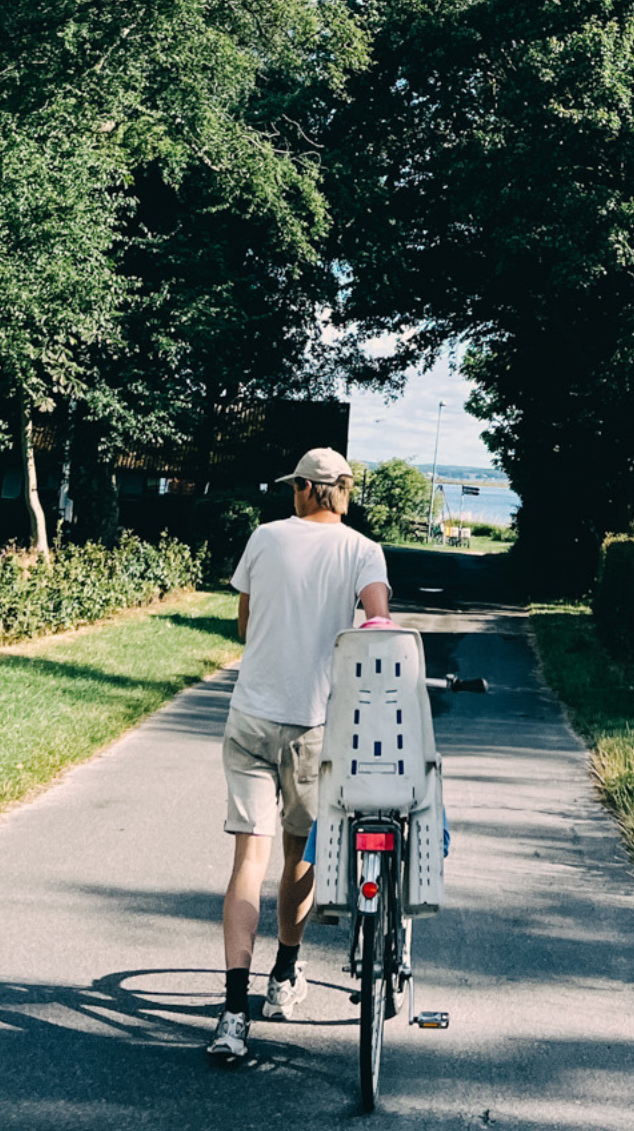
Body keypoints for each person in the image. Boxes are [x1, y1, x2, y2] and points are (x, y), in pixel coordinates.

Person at [209, 447, 391, 1060]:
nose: (292, 495)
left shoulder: (264, 538)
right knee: (298, 857)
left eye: (295, 487)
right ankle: (284, 974)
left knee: (248, 862)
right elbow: (378, 623)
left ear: (311, 489)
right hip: (315, 726)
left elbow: (243, 625)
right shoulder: (363, 551)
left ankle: (233, 1016)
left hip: (251, 717)